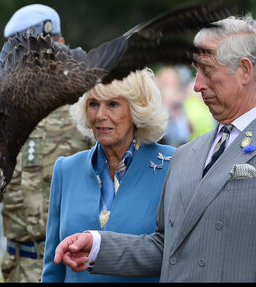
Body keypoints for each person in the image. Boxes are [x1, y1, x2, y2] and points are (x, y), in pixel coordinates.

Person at [54, 13, 256, 283]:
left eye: (208, 71)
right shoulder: (186, 155)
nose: (196, 85)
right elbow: (166, 249)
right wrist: (98, 246)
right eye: (196, 72)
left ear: (244, 70)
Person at [0, 4, 92, 282]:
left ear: (63, 44)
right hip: (20, 268)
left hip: (79, 268)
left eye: (50, 46)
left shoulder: (88, 103)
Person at [42, 68, 176, 282]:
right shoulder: (66, 169)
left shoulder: (172, 165)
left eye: (112, 104)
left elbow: (178, 258)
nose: (100, 115)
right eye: (93, 104)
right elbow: (53, 266)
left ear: (137, 108)